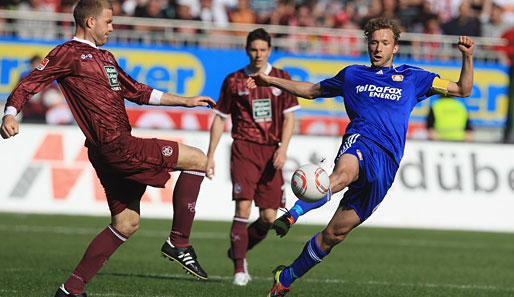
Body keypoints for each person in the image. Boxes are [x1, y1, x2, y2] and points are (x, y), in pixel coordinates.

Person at [0, 1, 216, 296]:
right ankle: (179, 242)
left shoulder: (107, 57)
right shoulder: (69, 53)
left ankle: (71, 289)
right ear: (90, 22)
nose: (112, 28)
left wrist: (185, 101)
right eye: (109, 22)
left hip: (106, 151)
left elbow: (138, 91)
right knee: (199, 160)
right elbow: (31, 81)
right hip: (117, 145)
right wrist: (10, 112)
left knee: (126, 223)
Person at [247, 17, 474, 297]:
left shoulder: (415, 78)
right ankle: (293, 214)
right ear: (368, 44)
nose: (378, 48)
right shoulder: (352, 75)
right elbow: (311, 91)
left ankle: (286, 277)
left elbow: (464, 90)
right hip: (361, 141)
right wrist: (270, 80)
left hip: (387, 164)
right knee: (342, 175)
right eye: (374, 42)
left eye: (385, 43)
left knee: (334, 235)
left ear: (395, 48)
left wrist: (468, 58)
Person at [206, 28, 300, 286]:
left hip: (272, 151)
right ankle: (239, 269)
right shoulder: (234, 80)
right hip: (244, 149)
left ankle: (240, 248)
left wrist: (283, 149)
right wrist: (210, 155)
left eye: (262, 50)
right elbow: (220, 118)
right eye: (253, 50)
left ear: (269, 50)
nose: (258, 54)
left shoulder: (281, 78)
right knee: (243, 207)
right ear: (247, 51)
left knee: (269, 217)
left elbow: (289, 116)